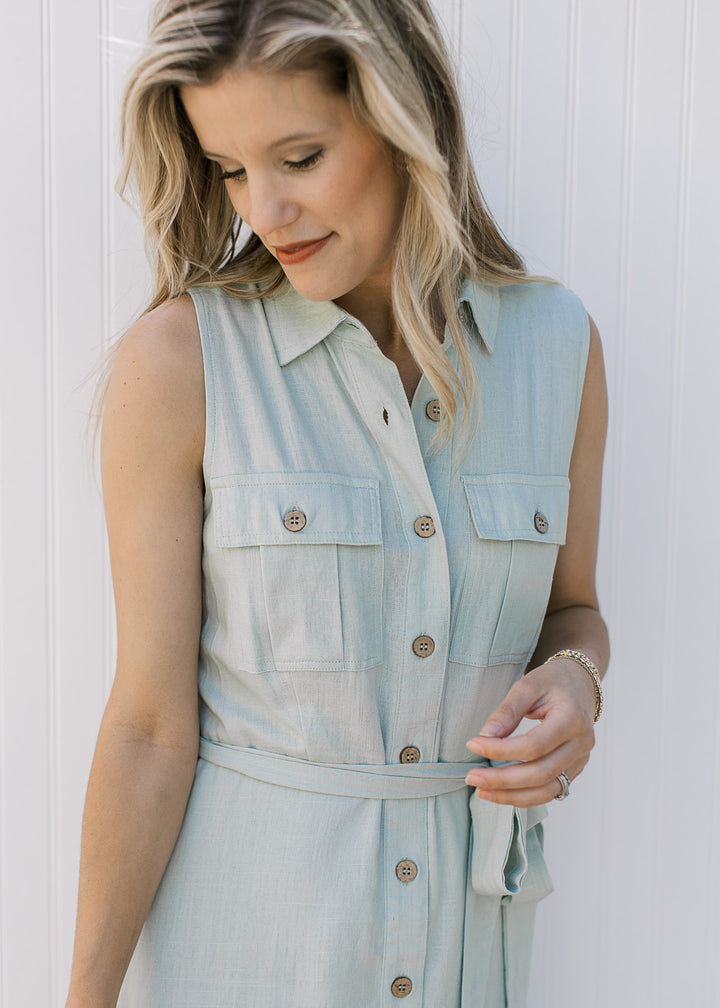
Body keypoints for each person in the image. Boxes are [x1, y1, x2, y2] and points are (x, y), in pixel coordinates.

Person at [66, 1, 609, 1005]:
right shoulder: (182, 363)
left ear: (407, 122)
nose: (263, 212)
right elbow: (149, 723)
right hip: (246, 954)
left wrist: (577, 679)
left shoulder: (559, 345)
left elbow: (573, 612)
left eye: (300, 156)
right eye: (231, 169)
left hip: (469, 956)